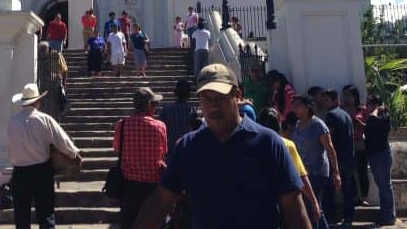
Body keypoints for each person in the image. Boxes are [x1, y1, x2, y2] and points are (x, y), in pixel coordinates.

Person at [132, 63, 310, 229]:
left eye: (220, 98)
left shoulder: (268, 143)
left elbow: (294, 209)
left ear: (237, 95)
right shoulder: (187, 147)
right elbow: (159, 203)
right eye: (206, 98)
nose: (213, 106)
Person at [7, 82, 80, 229]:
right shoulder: (44, 119)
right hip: (41, 172)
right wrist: (73, 154)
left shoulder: (12, 122)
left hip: (19, 173)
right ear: (37, 102)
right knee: (46, 213)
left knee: (21, 217)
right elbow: (62, 140)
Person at [256, 108, 324, 228]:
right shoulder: (286, 145)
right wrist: (314, 202)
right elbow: (301, 176)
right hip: (285, 204)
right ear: (279, 124)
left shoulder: (252, 147)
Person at [114, 87, 168, 229]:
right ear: (149, 105)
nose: (156, 107)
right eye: (155, 104)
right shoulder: (160, 126)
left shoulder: (121, 125)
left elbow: (117, 149)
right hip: (152, 186)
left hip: (129, 186)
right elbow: (163, 153)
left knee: (129, 223)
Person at [290, 94, 340, 229]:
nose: (295, 109)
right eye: (294, 106)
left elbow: (330, 148)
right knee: (313, 206)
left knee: (313, 204)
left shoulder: (317, 125)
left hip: (317, 172)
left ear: (307, 107)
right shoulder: (297, 125)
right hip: (303, 172)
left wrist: (336, 172)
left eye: (298, 106)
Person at [317, 88, 357, 229]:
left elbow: (329, 138)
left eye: (327, 100)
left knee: (329, 189)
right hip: (349, 157)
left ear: (335, 100)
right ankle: (348, 218)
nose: (325, 103)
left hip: (338, 158)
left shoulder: (331, 115)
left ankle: (330, 218)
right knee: (348, 190)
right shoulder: (346, 114)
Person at [363, 94, 395, 226]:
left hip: (381, 155)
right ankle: (385, 214)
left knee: (385, 186)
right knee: (381, 185)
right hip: (374, 154)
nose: (367, 106)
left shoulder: (383, 116)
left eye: (369, 104)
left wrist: (377, 109)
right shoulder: (374, 117)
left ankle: (389, 216)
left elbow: (372, 119)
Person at [340, 85, 368, 206]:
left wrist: (357, 122)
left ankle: (364, 197)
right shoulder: (341, 109)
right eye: (344, 95)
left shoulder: (362, 109)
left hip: (360, 143)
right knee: (349, 173)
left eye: (349, 95)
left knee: (362, 171)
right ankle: (354, 197)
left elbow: (368, 126)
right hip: (346, 144)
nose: (346, 98)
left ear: (355, 96)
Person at [158, 79, 197, 152]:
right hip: (187, 149)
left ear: (175, 93)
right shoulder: (192, 111)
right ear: (189, 94)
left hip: (170, 150)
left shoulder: (166, 110)